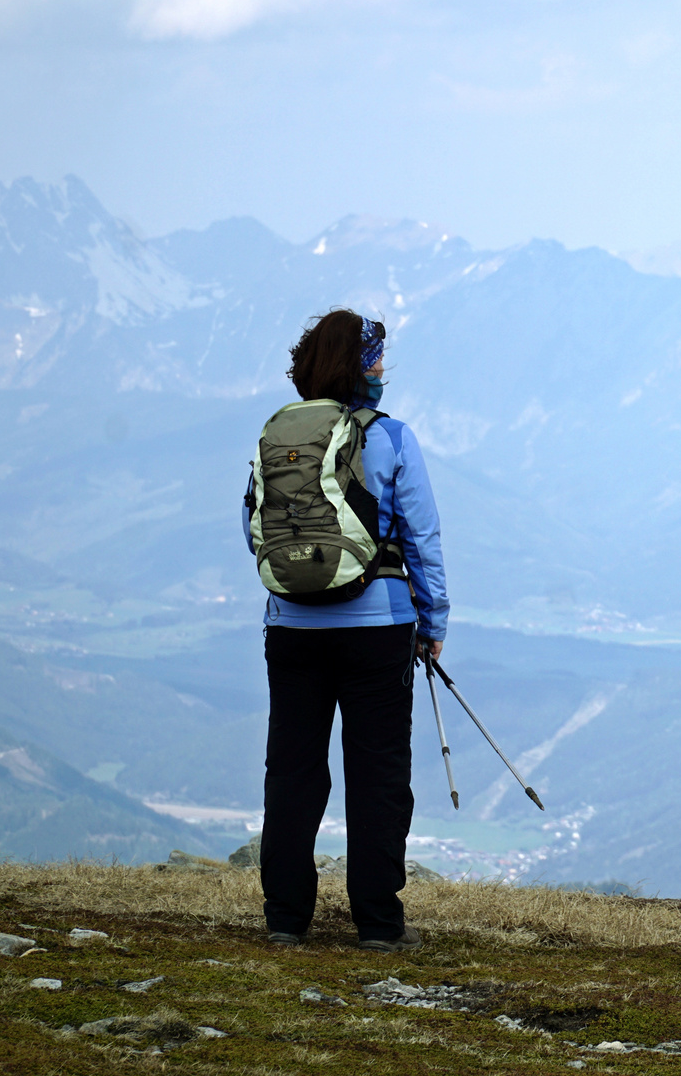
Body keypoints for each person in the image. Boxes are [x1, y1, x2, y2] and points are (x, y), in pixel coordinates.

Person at [243, 309, 448, 952]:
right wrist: (433, 620)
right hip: (377, 629)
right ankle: (380, 926)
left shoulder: (278, 434)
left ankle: (284, 920)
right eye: (376, 357)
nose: (384, 368)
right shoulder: (390, 438)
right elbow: (422, 537)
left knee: (294, 770)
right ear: (359, 366)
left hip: (292, 628)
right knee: (378, 773)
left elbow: (254, 523)